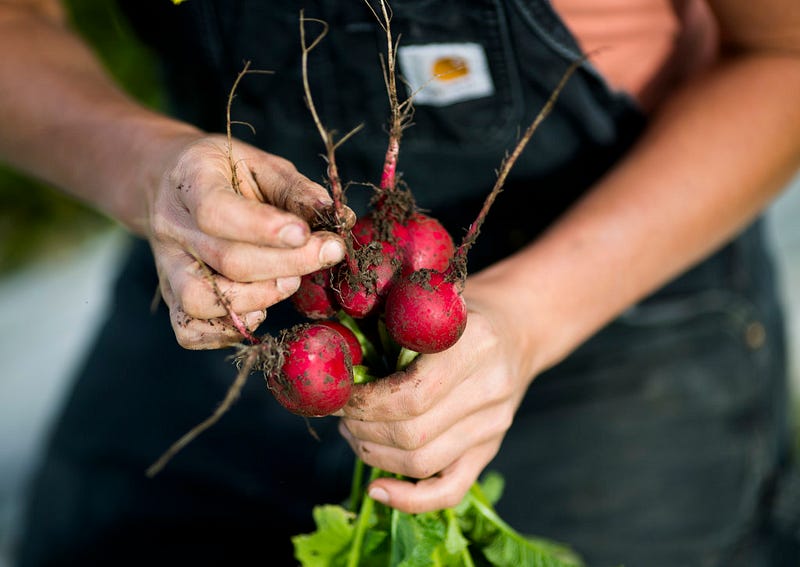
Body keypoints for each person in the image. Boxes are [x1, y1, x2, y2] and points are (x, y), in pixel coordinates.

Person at [2, 0, 799, 565]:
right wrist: (147, 170)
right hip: (217, 297)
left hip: (605, 307)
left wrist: (526, 316)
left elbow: (784, 55)